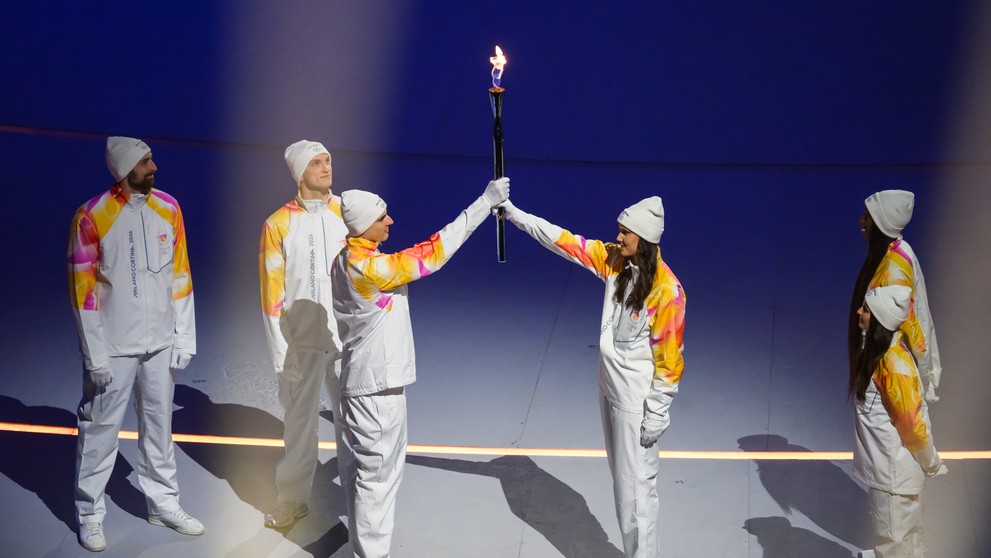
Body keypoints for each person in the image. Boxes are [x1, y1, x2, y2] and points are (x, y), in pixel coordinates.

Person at [331, 177, 509, 557]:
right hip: (376, 392)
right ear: (364, 225)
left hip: (360, 383)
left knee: (361, 478)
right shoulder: (371, 269)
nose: (390, 221)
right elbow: (434, 252)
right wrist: (483, 203)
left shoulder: (343, 258)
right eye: (382, 217)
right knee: (377, 482)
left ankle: (359, 550)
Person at [500, 196, 685, 558]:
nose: (618, 237)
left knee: (637, 498)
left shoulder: (667, 292)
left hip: (636, 407)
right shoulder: (616, 262)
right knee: (624, 490)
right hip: (609, 391)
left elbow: (670, 361)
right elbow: (564, 241)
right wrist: (516, 215)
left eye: (625, 232)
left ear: (644, 238)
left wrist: (657, 411)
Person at [68, 136, 203, 552]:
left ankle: (163, 504)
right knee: (99, 432)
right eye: (146, 162)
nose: (154, 167)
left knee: (160, 428)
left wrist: (184, 336)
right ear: (126, 168)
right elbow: (82, 293)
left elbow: (181, 275)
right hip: (114, 346)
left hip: (160, 343)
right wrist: (95, 355)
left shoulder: (169, 207)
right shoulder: (92, 215)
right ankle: (89, 513)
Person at [259, 140, 353, 529]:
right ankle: (292, 500)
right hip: (302, 342)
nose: (326, 168)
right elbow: (271, 296)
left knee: (352, 421)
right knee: (300, 424)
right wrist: (283, 356)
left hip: (346, 338)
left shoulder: (347, 212)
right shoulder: (278, 223)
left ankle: (359, 496)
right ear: (300, 173)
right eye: (317, 163)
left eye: (328, 160)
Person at [851, 285, 947, 558]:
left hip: (894, 480)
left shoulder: (893, 366)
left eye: (866, 310)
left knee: (897, 548)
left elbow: (913, 427)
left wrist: (931, 462)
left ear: (880, 321)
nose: (859, 312)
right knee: (909, 545)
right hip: (890, 475)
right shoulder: (880, 351)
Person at [849, 190, 941, 403]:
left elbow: (911, 323)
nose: (862, 220)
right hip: (883, 366)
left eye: (868, 216)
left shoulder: (895, 265)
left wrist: (925, 376)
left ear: (881, 222)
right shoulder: (893, 253)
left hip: (888, 371)